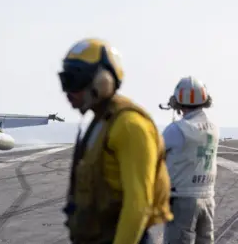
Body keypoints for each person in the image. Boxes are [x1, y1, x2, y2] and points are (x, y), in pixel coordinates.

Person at [59, 38, 174, 244]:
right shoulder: (99, 121)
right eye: (64, 80)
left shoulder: (130, 125)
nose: (67, 91)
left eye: (74, 80)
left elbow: (138, 205)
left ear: (103, 79)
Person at [161, 76, 218, 244]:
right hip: (208, 198)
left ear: (178, 100)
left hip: (182, 200)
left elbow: (155, 155)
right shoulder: (214, 129)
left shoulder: (176, 129)